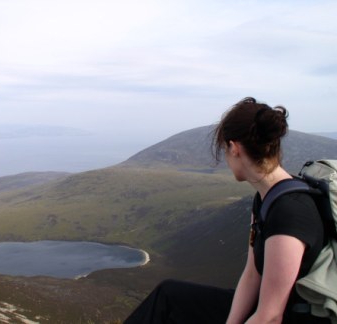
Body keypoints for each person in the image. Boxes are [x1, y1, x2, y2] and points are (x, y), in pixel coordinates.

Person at [124, 97, 330, 324]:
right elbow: (252, 276)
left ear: (234, 148)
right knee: (168, 296)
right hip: (267, 311)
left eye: (224, 150)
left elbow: (271, 316)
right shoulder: (266, 199)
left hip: (292, 318)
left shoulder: (290, 213)